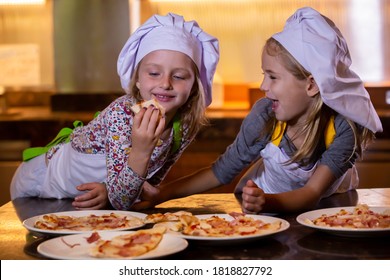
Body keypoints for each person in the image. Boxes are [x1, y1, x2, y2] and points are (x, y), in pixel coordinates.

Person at [132, 7, 383, 214]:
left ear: (311, 84)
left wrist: (267, 202)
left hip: (324, 211)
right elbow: (221, 171)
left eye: (273, 77)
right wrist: (163, 193)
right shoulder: (266, 115)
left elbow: (311, 194)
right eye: (265, 75)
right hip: (263, 209)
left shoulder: (344, 129)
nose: (263, 86)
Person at [10, 13, 220, 210]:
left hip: (79, 201)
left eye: (180, 76)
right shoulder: (122, 114)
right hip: (39, 183)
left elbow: (147, 184)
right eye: (154, 73)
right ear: (137, 79)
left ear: (194, 85)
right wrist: (140, 151)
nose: (165, 83)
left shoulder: (184, 124)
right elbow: (121, 200)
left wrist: (117, 192)